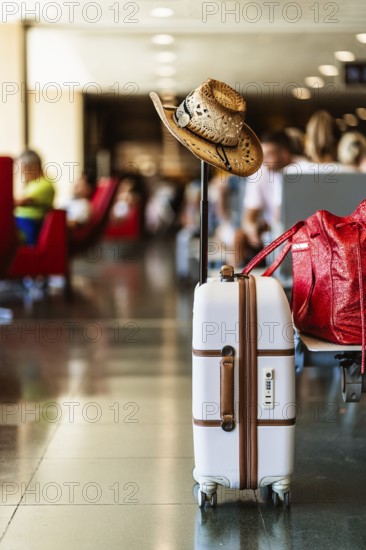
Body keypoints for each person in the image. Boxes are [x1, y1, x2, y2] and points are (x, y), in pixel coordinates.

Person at [241, 130, 294, 253]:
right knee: (239, 236)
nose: (263, 160)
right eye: (262, 155)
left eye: (268, 155)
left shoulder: (302, 170)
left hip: (296, 233)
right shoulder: (259, 174)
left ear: (285, 155)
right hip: (271, 236)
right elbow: (248, 219)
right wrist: (253, 231)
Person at [14, 150, 55, 245]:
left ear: (33, 167)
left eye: (23, 168)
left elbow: (20, 201)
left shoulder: (44, 184)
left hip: (29, 225)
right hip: (21, 222)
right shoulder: (32, 184)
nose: (22, 172)